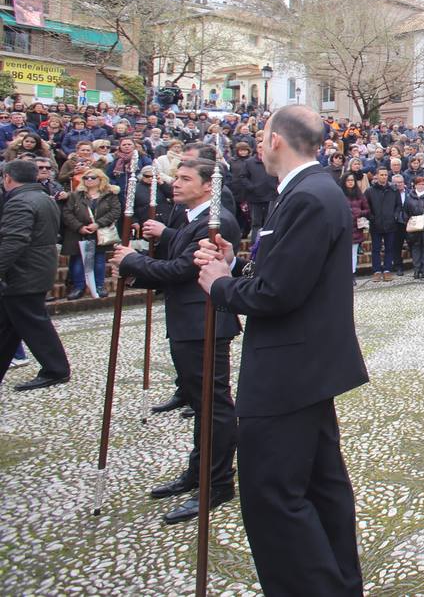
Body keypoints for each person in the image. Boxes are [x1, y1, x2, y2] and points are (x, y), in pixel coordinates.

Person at [194, 104, 368, 596]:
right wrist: (240, 265)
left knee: (273, 496)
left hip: (288, 372)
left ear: (273, 141)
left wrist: (222, 285)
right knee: (320, 487)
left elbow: (279, 294)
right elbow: (285, 274)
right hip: (305, 366)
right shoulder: (309, 192)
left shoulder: (309, 197)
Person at [111, 158, 243, 525]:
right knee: (201, 405)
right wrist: (138, 271)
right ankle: (197, 472)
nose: (176, 184)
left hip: (205, 321)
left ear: (207, 187)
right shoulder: (187, 218)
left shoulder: (214, 222)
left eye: (186, 179)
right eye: (177, 177)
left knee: (213, 405)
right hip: (186, 321)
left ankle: (217, 482)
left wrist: (132, 261)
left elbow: (183, 269)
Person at [0, 160, 71, 391]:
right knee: (9, 324)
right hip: (36, 269)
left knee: (33, 322)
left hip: (24, 272)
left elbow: (14, 241)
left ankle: (56, 369)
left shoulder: (20, 202)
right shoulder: (44, 198)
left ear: (8, 178)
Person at [61, 166, 121, 300]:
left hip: (99, 232)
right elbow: (67, 213)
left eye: (92, 178)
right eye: (85, 178)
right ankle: (79, 287)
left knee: (99, 260)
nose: (88, 180)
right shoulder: (76, 195)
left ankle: (99, 286)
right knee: (77, 260)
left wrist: (98, 224)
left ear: (100, 179)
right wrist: (79, 227)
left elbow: (115, 211)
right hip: (79, 233)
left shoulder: (109, 195)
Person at [365, 168, 399, 282]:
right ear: (377, 176)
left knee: (389, 248)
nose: (384, 177)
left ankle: (387, 270)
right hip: (376, 224)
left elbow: (398, 205)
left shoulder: (394, 190)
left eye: (385, 175)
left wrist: (395, 216)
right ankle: (377, 271)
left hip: (390, 224)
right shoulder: (370, 191)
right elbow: (366, 207)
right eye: (381, 175)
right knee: (376, 249)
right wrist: (372, 218)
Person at [403, 175, 424, 279]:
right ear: (415, 185)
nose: (421, 186)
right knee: (416, 247)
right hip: (414, 226)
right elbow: (405, 211)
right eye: (419, 184)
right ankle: (417, 269)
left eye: (422, 184)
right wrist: (409, 220)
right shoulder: (409, 197)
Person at [341, 173, 369, 276]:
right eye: (348, 180)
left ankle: (352, 273)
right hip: (344, 226)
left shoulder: (359, 194)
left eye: (352, 180)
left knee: (353, 252)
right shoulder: (340, 193)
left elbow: (367, 209)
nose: (350, 182)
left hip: (356, 227)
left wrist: (359, 212)